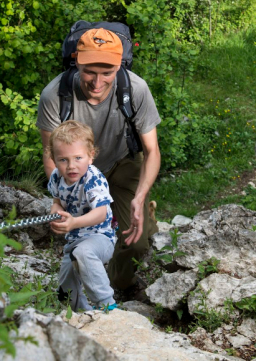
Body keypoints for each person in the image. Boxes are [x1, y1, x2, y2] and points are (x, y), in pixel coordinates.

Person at [37, 27, 161, 292]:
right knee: (83, 231)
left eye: (107, 73)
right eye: (89, 71)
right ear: (76, 63)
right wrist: (59, 199)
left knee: (136, 240)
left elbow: (152, 150)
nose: (97, 82)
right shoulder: (54, 95)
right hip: (77, 171)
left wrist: (139, 198)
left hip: (123, 162)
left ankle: (122, 284)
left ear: (119, 67)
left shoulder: (136, 90)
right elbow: (50, 153)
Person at [46, 120, 117, 311]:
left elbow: (101, 213)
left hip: (100, 237)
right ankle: (83, 314)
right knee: (65, 290)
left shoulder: (93, 179)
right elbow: (57, 201)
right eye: (63, 160)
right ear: (54, 158)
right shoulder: (56, 177)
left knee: (83, 253)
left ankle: (108, 306)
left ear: (90, 156)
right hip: (74, 240)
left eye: (78, 158)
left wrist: (74, 222)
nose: (71, 166)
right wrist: (55, 213)